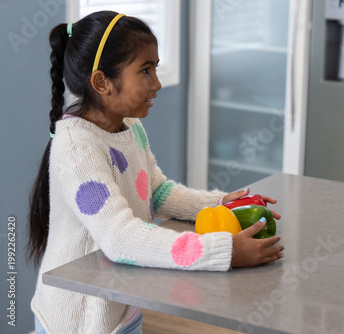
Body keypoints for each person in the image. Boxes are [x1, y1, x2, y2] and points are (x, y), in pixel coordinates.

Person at [27, 11, 284, 334]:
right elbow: (119, 239)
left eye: (156, 68)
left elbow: (158, 192)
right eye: (145, 71)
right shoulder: (78, 149)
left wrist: (220, 204)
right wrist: (225, 252)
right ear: (102, 82)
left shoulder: (130, 127)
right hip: (80, 320)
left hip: (122, 309)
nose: (157, 83)